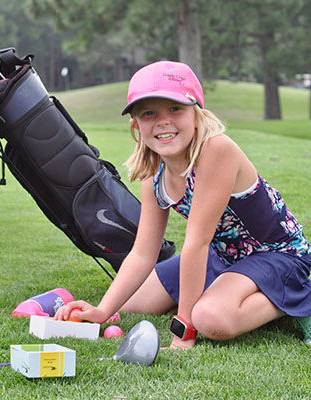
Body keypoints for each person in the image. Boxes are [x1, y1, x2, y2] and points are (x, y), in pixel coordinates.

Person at [55, 61, 311, 349]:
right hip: (224, 257)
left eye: (175, 109)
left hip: (277, 255)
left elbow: (196, 244)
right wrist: (102, 311)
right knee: (133, 304)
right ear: (136, 125)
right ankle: (229, 289)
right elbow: (142, 253)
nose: (163, 121)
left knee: (210, 318)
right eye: (149, 113)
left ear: (197, 115)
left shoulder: (216, 150)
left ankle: (296, 295)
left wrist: (184, 330)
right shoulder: (154, 172)